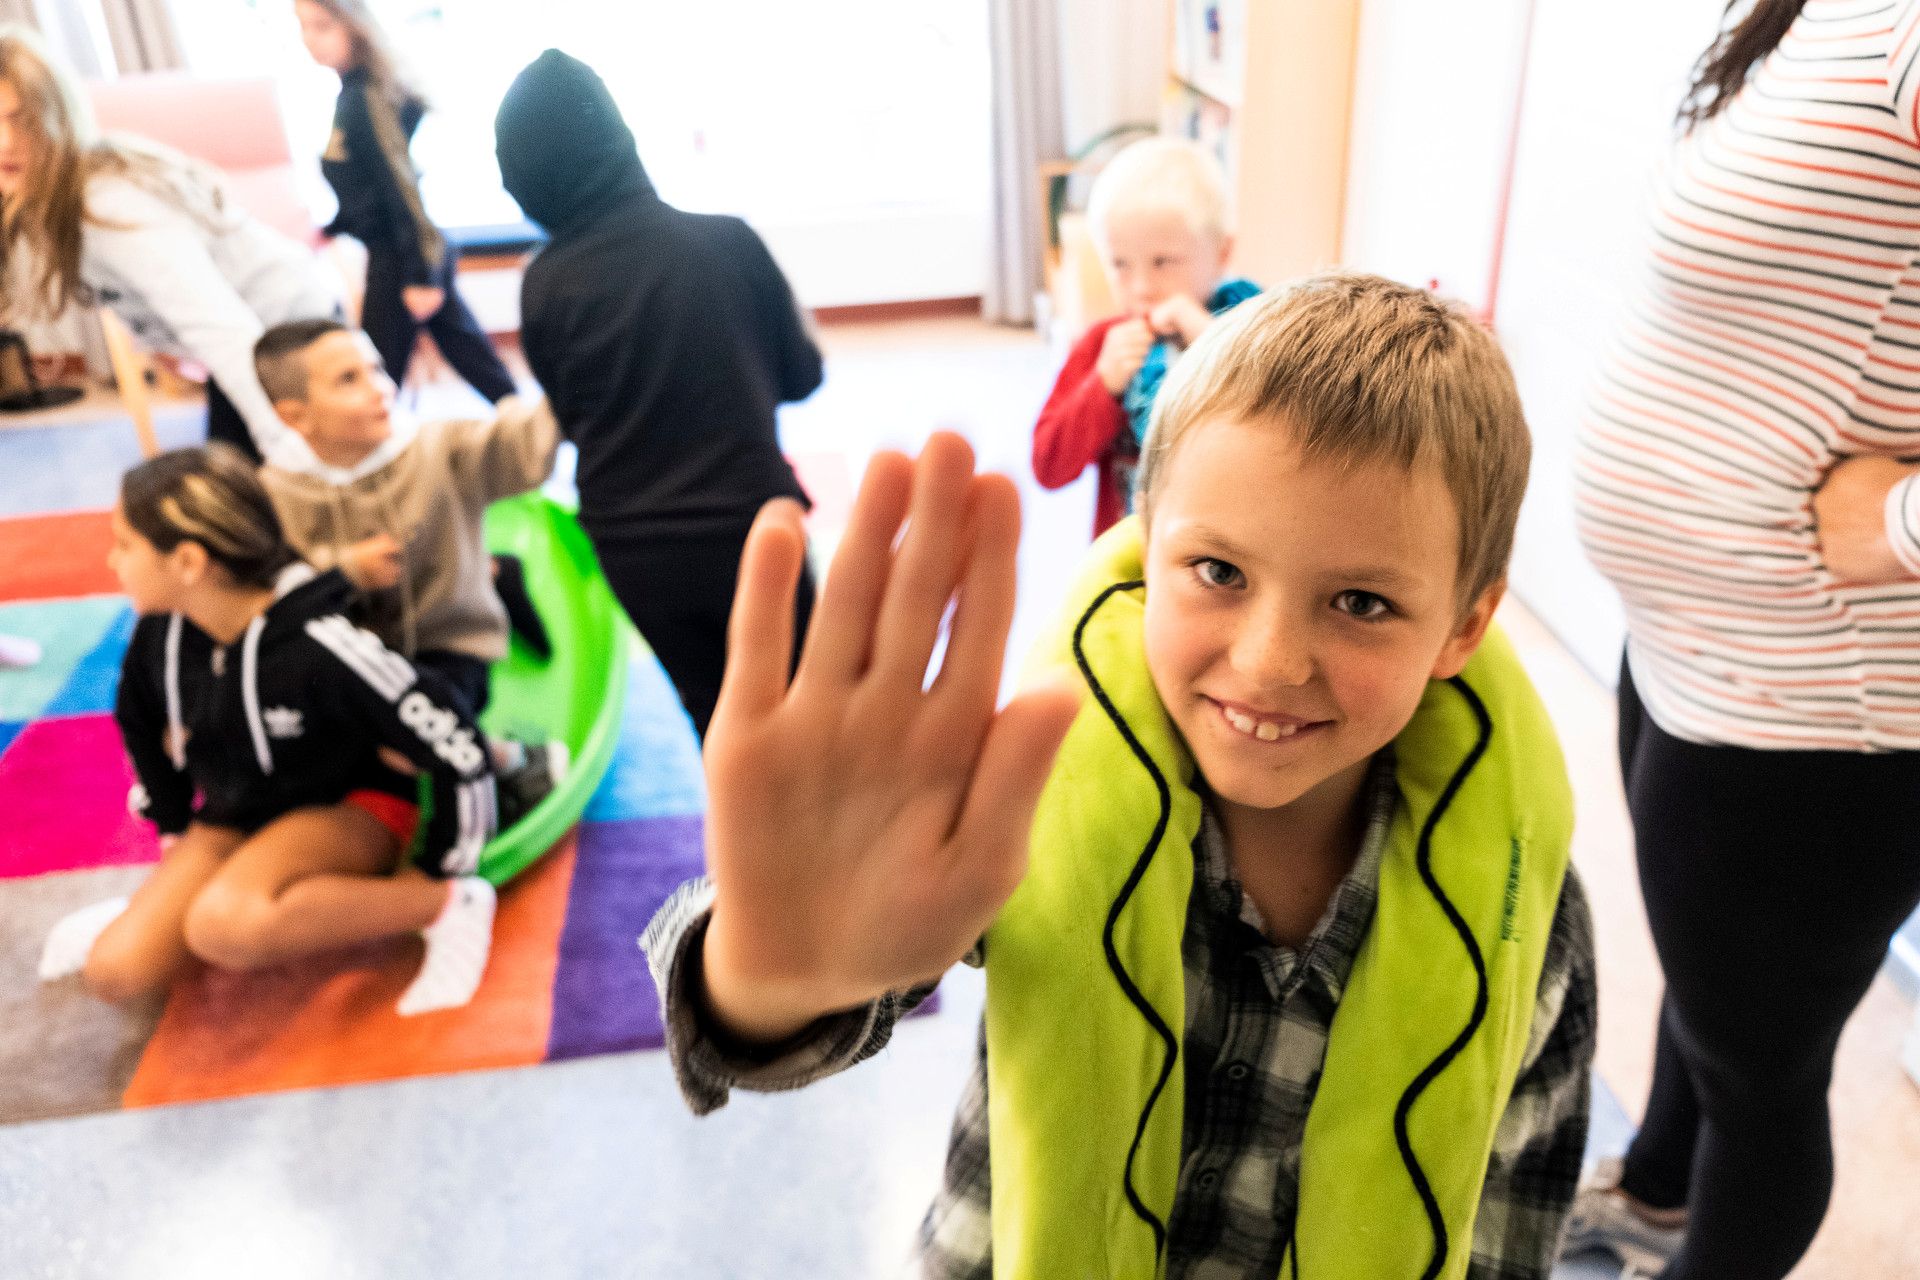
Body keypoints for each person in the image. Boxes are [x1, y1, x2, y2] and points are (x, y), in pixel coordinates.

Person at [643, 274, 1597, 1277]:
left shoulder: (1526, 911)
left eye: (1360, 602)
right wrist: (766, 979)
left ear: (1464, 626)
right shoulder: (1028, 789)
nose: (1269, 662)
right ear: (1146, 540)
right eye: (1219, 572)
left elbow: (1509, 1225)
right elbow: (790, 997)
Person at [1562, 3, 1920, 1277]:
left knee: (1761, 1075)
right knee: (1712, 992)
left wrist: (1902, 520)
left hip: (1817, 698)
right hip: (1698, 643)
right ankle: (1658, 1192)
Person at [36, 445, 499, 1016]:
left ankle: (448, 905)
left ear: (188, 562)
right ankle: (174, 905)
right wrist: (175, 830)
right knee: (116, 972)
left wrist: (446, 866)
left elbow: (455, 738)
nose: (112, 561)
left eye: (124, 545)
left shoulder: (319, 645)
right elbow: (138, 722)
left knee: (222, 927)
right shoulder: (162, 635)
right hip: (239, 813)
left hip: (350, 808)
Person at [493, 49, 823, 741]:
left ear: (523, 183)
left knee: (712, 714)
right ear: (621, 142)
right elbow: (802, 377)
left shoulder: (544, 283)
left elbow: (570, 416)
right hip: (750, 523)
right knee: (806, 703)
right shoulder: (726, 242)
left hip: (631, 544)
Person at [251, 318, 564, 821]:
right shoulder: (275, 491)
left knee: (405, 742)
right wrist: (347, 570)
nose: (381, 387)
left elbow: (522, 442)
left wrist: (570, 371)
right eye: (348, 380)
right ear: (296, 416)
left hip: (449, 643)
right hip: (350, 659)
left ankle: (516, 758)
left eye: (375, 368)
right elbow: (272, 592)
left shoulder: (438, 446)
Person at [0, 26, 344, 464]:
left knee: (269, 481)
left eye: (22, 120)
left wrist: (288, 451)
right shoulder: (42, 197)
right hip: (253, 342)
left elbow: (222, 329)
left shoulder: (108, 205)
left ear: (57, 118)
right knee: (233, 480)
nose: (6, 142)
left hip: (294, 337)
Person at [292, 0, 517, 406]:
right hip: (401, 252)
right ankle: (529, 428)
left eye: (322, 26)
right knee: (473, 363)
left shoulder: (366, 98)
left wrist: (421, 274)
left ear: (355, 26)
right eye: (303, 27)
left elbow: (400, 188)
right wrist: (333, 227)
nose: (309, 40)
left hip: (402, 258)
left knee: (377, 379)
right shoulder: (351, 95)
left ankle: (530, 429)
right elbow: (366, 191)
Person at [1032, 138, 1259, 538]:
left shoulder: (1248, 327)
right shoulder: (1103, 345)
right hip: (1127, 558)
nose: (1141, 288)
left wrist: (1211, 342)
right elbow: (1048, 467)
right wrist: (1102, 385)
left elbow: (1285, 423)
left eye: (1162, 262)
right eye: (1120, 264)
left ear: (1222, 253)